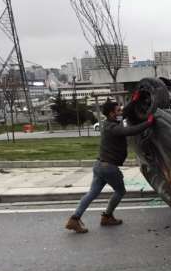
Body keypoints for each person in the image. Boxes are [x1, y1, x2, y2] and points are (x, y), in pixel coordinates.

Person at [65, 99, 154, 233]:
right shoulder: (113, 128)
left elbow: (125, 114)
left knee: (92, 193)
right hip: (109, 168)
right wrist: (148, 123)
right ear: (112, 114)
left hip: (99, 165)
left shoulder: (110, 123)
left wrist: (135, 100)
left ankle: (74, 219)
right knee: (120, 191)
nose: (121, 112)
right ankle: (107, 216)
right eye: (118, 110)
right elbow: (131, 131)